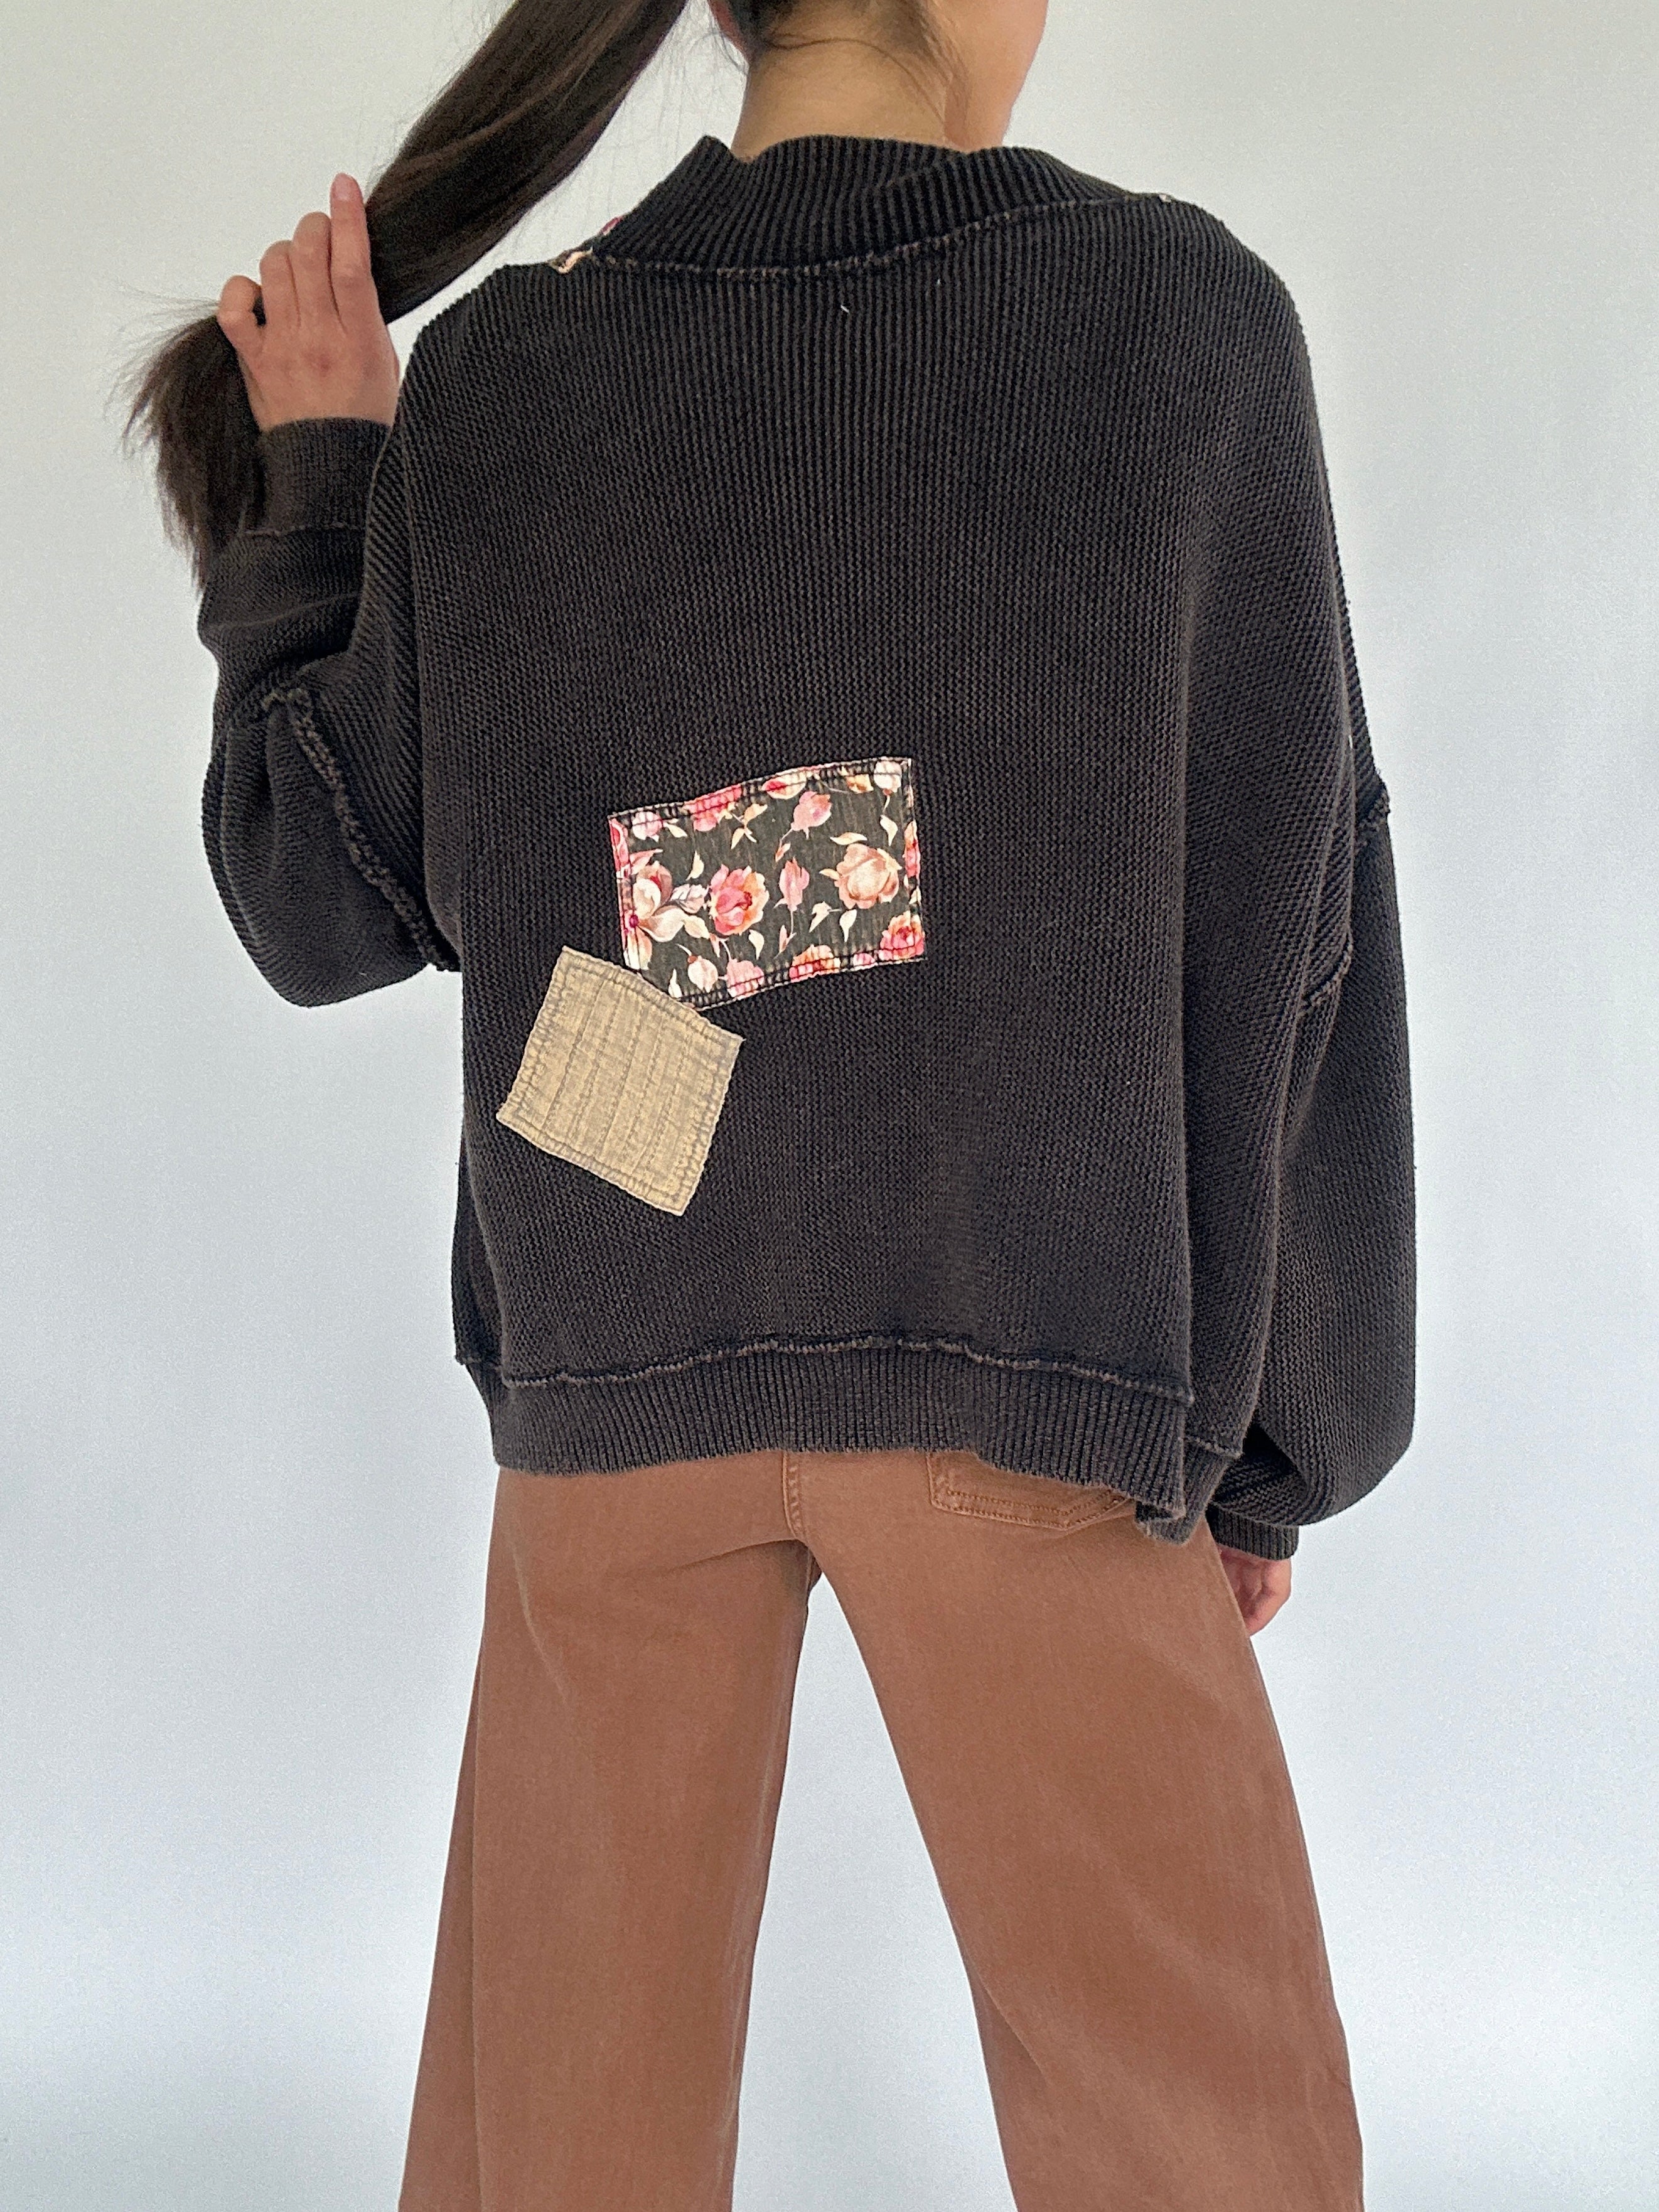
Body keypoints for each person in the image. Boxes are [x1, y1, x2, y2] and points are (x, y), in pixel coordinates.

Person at [129, 0, 1416, 2203]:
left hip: (618, 1353)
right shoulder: (1177, 331)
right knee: (1193, 2127)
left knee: (560, 2138)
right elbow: (1294, 915)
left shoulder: (512, 375)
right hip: (1032, 1349)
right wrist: (1279, 1443)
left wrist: (323, 493)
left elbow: (322, 905)